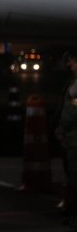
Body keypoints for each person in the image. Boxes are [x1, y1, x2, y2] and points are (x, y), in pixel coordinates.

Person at [57, 50, 77, 228]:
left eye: (72, 62)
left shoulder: (75, 87)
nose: (69, 66)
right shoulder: (73, 84)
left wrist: (63, 127)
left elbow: (72, 112)